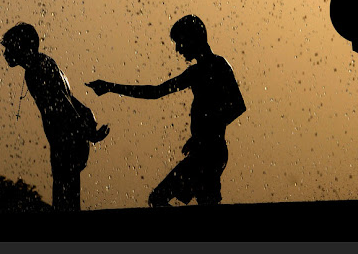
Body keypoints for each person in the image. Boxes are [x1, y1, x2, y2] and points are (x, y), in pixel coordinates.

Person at [86, 15, 246, 207]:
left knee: (158, 199)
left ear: (193, 39)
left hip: (209, 153)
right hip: (207, 153)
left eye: (180, 42)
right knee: (202, 202)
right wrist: (110, 87)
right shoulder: (196, 72)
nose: (178, 49)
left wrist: (205, 136)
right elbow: (155, 92)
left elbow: (237, 106)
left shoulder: (217, 66)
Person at [0, 22, 110, 212]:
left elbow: (62, 102)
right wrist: (86, 122)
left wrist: (87, 132)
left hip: (67, 139)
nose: (6, 52)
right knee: (69, 197)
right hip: (72, 137)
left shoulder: (36, 69)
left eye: (10, 47)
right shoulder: (45, 62)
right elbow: (68, 98)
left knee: (63, 200)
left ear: (25, 47)